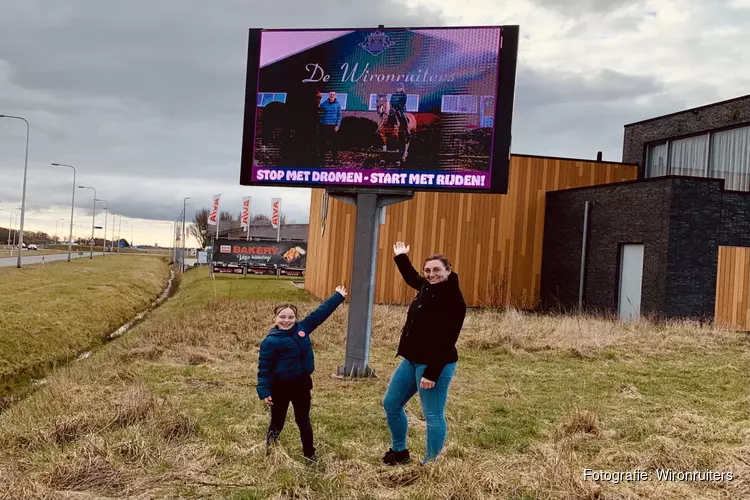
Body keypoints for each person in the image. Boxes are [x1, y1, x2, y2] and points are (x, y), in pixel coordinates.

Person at [382, 241, 467, 465]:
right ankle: (399, 451)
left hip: (435, 364)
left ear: (448, 271)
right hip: (411, 360)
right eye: (427, 270)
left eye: (437, 270)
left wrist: (432, 373)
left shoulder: (453, 300)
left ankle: (431, 464)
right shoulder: (427, 287)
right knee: (391, 404)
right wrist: (401, 257)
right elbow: (412, 278)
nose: (431, 275)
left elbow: (448, 340)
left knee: (432, 415)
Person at [257, 285, 347, 461]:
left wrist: (338, 296)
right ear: (275, 318)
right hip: (280, 388)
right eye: (282, 317)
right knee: (277, 421)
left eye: (291, 317)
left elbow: (320, 313)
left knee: (303, 420)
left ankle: (309, 453)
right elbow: (264, 369)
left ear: (296, 318)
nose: (286, 320)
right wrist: (265, 392)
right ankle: (271, 453)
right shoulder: (270, 342)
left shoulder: (302, 329)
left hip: (301, 385)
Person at [318, 90, 342, 165]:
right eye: (331, 94)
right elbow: (319, 110)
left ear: (335, 95)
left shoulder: (338, 105)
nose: (332, 95)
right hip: (324, 125)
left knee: (334, 143)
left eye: (333, 94)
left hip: (333, 126)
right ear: (329, 95)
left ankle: (334, 159)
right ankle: (321, 159)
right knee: (322, 143)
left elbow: (339, 115)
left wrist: (337, 126)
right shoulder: (324, 104)